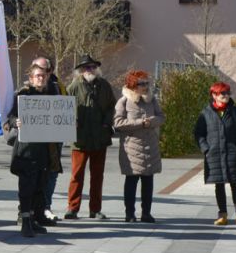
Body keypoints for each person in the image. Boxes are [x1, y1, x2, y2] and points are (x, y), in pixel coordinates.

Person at [5, 64, 57, 237]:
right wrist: (16, 122)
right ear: (31, 77)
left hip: (44, 149)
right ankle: (25, 221)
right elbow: (10, 117)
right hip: (26, 149)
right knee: (27, 187)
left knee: (39, 187)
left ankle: (34, 220)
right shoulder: (23, 94)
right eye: (37, 76)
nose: (40, 78)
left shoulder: (52, 94)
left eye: (43, 75)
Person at [64, 54, 116, 220]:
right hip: (79, 139)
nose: (90, 70)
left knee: (97, 176)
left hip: (100, 138)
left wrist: (107, 124)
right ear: (81, 70)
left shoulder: (104, 85)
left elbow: (111, 106)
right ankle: (72, 208)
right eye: (87, 67)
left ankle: (95, 209)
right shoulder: (72, 87)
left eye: (93, 67)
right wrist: (73, 121)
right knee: (76, 175)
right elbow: (65, 108)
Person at [195, 82, 236, 227]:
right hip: (214, 155)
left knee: (235, 184)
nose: (226, 96)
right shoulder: (206, 113)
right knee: (219, 185)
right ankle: (222, 215)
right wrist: (206, 149)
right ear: (214, 95)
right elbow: (198, 133)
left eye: (228, 93)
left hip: (233, 153)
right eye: (223, 93)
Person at [114, 70, 165, 223]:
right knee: (131, 181)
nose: (145, 86)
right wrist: (139, 123)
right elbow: (117, 123)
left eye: (146, 83)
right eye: (141, 83)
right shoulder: (123, 101)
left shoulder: (152, 100)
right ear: (133, 85)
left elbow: (161, 117)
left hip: (150, 146)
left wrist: (152, 121)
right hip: (132, 148)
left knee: (148, 181)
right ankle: (130, 213)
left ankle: (146, 213)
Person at [31, 57, 65, 221]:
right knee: (32, 176)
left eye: (46, 70)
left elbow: (67, 109)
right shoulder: (25, 90)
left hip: (53, 140)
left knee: (51, 174)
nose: (43, 74)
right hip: (33, 142)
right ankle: (28, 211)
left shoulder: (59, 88)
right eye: (39, 69)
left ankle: (46, 207)